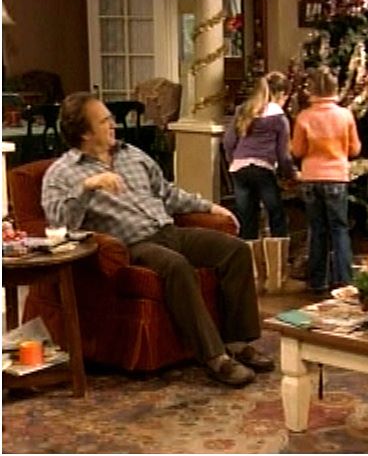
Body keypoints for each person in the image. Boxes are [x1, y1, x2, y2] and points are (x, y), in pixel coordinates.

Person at [41, 92, 274, 388]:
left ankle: (237, 342)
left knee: (235, 250)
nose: (113, 124)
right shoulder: (61, 174)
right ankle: (215, 357)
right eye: (104, 121)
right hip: (133, 245)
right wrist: (87, 187)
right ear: (85, 133)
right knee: (176, 266)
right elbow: (60, 223)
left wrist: (209, 207)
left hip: (169, 231)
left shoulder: (132, 154)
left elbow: (167, 193)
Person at [223, 72, 298, 293]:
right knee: (276, 215)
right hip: (262, 168)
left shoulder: (244, 110)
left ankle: (254, 278)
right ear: (281, 94)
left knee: (247, 219)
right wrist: (291, 174)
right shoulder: (279, 118)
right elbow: (283, 155)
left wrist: (234, 161)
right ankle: (276, 278)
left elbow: (228, 141)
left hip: (239, 168)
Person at [291, 66, 362, 293]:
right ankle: (344, 280)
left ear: (311, 90)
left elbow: (297, 150)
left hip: (311, 178)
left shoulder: (304, 117)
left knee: (317, 229)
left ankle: (317, 281)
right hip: (337, 177)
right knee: (339, 229)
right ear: (335, 88)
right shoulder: (345, 115)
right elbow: (355, 149)